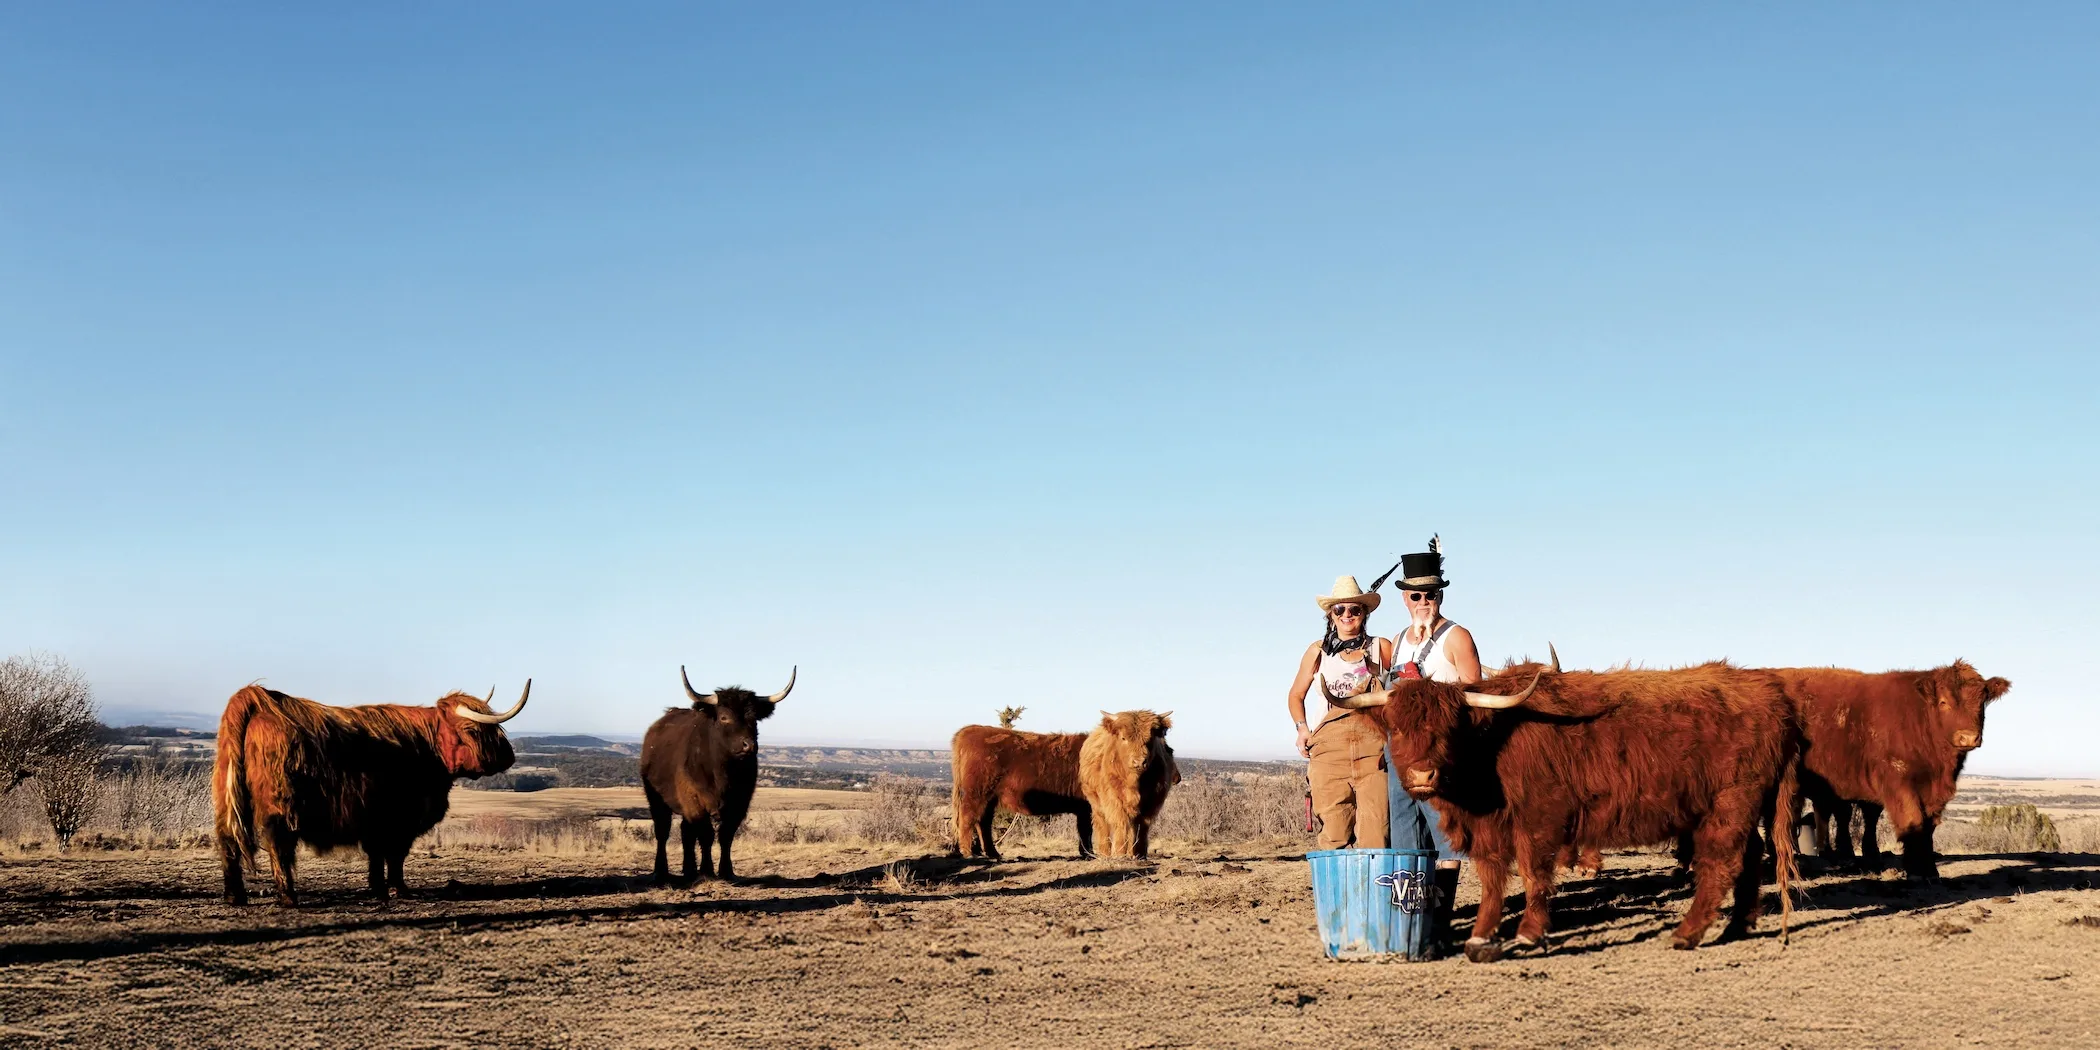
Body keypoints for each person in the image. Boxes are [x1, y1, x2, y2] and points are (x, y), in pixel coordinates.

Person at [1286, 576, 1395, 850]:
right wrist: (1302, 728)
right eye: (1340, 610)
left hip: (1373, 750)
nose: (1347, 615)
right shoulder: (1318, 651)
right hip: (1329, 753)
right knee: (1333, 833)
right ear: (1330, 614)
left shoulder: (1380, 647)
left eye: (1355, 609)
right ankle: (1336, 893)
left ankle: (1372, 892)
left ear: (1365, 613)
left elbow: (1398, 692)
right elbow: (1295, 695)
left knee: (1376, 833)